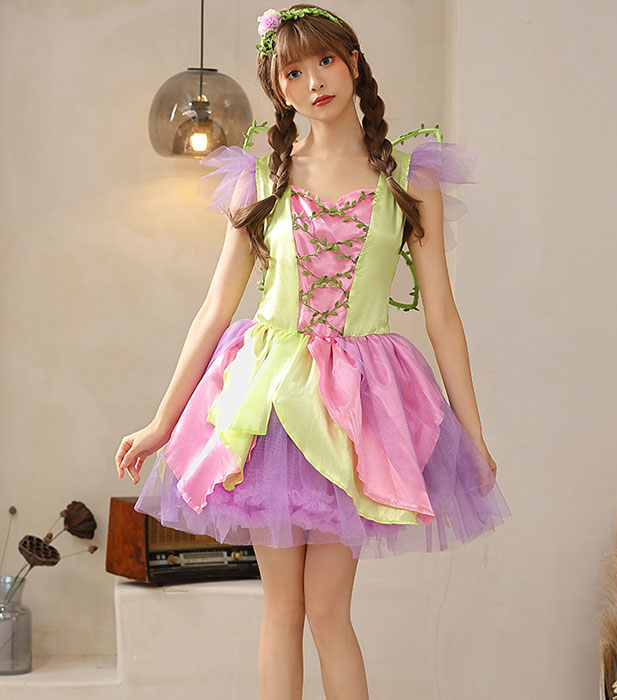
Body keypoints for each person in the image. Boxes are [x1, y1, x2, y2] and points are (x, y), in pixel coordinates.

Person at [114, 4, 511, 698]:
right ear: (277, 87)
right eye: (292, 71)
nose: (314, 82)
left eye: (325, 61)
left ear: (353, 62)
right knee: (283, 607)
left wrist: (472, 433)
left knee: (328, 611)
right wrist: (161, 421)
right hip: (269, 405)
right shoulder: (260, 178)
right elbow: (215, 309)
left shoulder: (411, 177)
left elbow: (443, 317)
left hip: (356, 410)